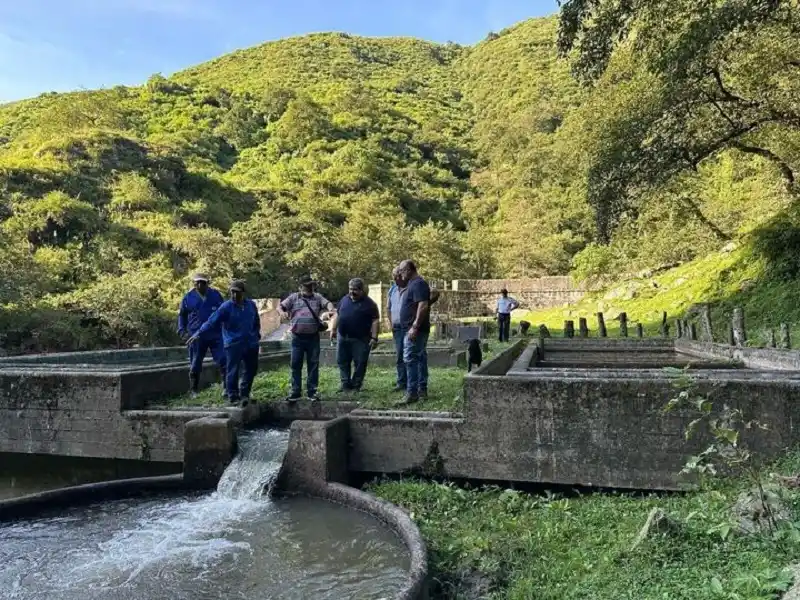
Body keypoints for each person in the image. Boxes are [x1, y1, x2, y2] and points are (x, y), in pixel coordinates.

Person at [186, 280, 261, 407]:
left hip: (250, 343)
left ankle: (245, 394)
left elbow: (256, 321)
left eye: (237, 292)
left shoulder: (251, 305)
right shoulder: (226, 307)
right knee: (232, 370)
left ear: (243, 293)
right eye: (232, 292)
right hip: (233, 344)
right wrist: (198, 333)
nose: (234, 295)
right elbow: (211, 321)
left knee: (251, 369)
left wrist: (256, 335)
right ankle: (233, 396)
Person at [279, 275, 335, 402]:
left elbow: (328, 303)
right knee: (295, 364)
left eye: (311, 285)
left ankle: (312, 392)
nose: (310, 288)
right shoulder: (293, 297)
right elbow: (280, 307)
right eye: (307, 285)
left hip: (313, 337)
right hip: (297, 337)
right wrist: (282, 312)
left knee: (313, 364)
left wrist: (331, 310)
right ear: (301, 287)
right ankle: (295, 391)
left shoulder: (317, 297)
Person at [388, 269, 441, 394]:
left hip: (413, 327)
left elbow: (432, 294)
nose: (395, 279)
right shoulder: (393, 289)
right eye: (394, 277)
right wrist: (391, 322)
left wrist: (425, 306)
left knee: (417, 357)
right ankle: (404, 383)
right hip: (399, 326)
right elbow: (388, 307)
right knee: (403, 356)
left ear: (403, 274)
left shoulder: (416, 286)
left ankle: (419, 387)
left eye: (397, 276)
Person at [177, 273, 226, 399]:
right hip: (195, 335)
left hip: (215, 334)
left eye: (202, 282)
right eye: (197, 282)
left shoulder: (215, 295)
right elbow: (182, 315)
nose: (199, 285)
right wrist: (182, 330)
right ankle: (193, 389)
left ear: (207, 283)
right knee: (195, 362)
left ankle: (226, 387)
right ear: (194, 283)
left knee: (223, 359)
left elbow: (223, 312)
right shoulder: (188, 297)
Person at [331, 278, 379, 393]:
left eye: (355, 290)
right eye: (350, 289)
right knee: (342, 361)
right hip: (343, 336)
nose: (352, 292)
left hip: (361, 339)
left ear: (362, 290)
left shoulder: (370, 304)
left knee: (360, 363)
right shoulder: (344, 299)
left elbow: (375, 321)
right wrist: (333, 329)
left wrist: (374, 337)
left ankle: (356, 385)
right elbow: (338, 314)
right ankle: (345, 384)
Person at [396, 260, 431, 405]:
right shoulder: (412, 284)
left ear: (409, 269)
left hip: (415, 330)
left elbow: (423, 305)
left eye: (401, 270)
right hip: (410, 328)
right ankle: (420, 390)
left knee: (410, 358)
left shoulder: (418, 284)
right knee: (418, 358)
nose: (400, 274)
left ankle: (412, 393)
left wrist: (415, 326)